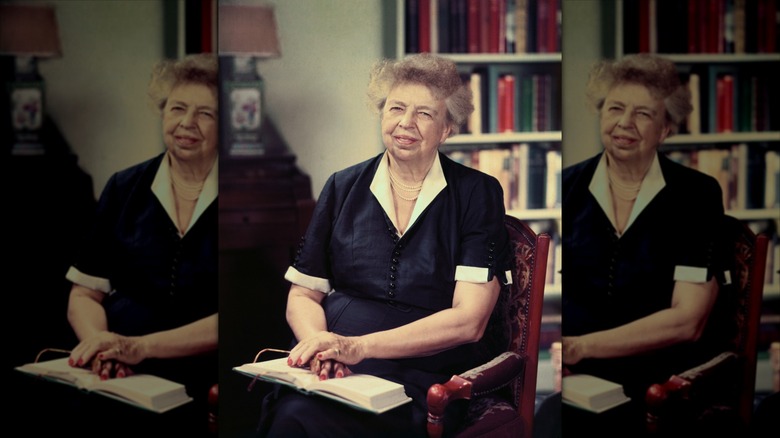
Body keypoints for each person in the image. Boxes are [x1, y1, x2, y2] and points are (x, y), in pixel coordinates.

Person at [259, 53, 512, 437]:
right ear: (382, 114)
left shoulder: (477, 194)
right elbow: (303, 294)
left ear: (447, 128)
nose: (406, 123)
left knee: (319, 421)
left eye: (425, 114)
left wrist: (357, 347)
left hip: (421, 376)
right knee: (293, 412)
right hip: (333, 368)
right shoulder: (341, 186)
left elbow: (469, 321)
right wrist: (321, 348)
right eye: (396, 108)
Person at [560, 54, 725, 436]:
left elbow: (689, 320)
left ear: (665, 128)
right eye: (615, 108)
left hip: (661, 376)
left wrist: (581, 347)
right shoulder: (567, 188)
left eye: (643, 114)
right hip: (579, 378)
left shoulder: (696, 196)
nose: (624, 123)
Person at [61, 53, 218, 436]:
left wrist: (141, 348)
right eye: (177, 108)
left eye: (205, 114)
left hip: (196, 364)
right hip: (116, 359)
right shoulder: (124, 187)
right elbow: (84, 294)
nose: (186, 123)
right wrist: (102, 345)